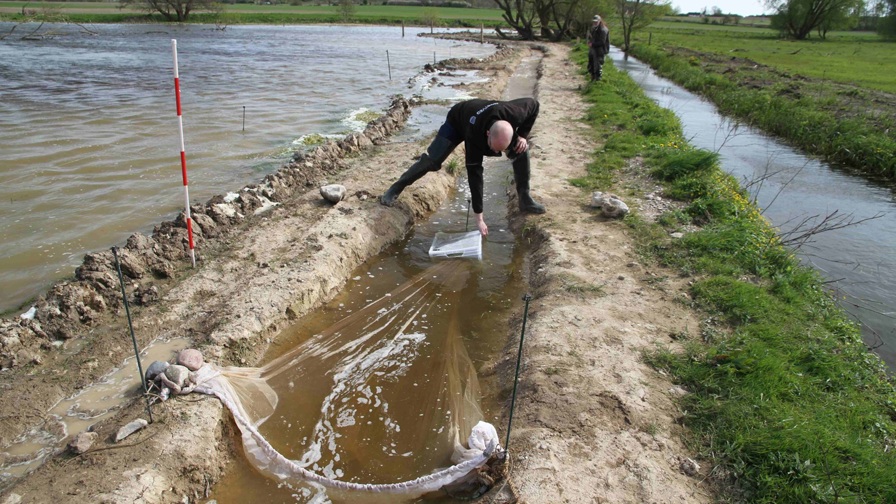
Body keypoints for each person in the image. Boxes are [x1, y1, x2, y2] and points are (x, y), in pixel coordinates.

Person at [378, 98, 545, 236]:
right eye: (493, 148)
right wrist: (479, 218)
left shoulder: (515, 112)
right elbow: (475, 174)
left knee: (521, 150)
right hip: (458, 120)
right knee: (433, 160)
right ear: (487, 134)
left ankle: (524, 199)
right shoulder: (475, 137)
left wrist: (523, 135)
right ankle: (396, 187)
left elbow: (534, 105)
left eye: (499, 150)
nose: (495, 153)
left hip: (491, 118)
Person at [588, 15, 611, 82]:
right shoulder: (595, 28)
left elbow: (602, 42)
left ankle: (597, 82)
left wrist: (592, 44)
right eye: (594, 22)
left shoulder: (603, 30)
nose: (594, 23)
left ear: (599, 21)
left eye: (596, 22)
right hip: (594, 49)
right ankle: (592, 78)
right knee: (591, 64)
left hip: (601, 50)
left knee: (598, 66)